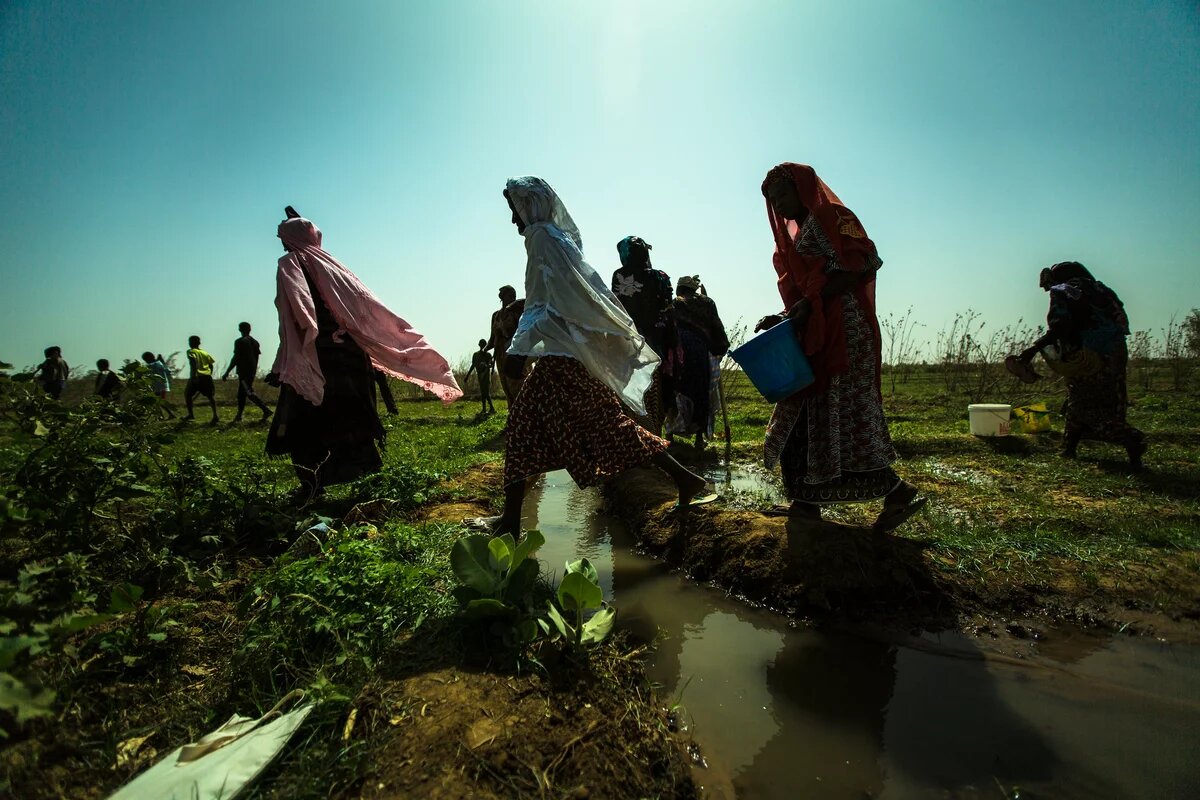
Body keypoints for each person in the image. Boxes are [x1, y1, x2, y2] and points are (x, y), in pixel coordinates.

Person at [494, 177, 710, 536]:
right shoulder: (555, 238)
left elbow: (546, 302)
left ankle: (511, 524)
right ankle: (511, 521)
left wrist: (519, 347)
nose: (514, 220)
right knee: (557, 426)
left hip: (562, 357)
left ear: (529, 206)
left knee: (556, 426)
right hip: (566, 354)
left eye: (515, 210)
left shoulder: (544, 239)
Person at [758, 163, 924, 532]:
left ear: (801, 188)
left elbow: (865, 261)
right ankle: (804, 501)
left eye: (783, 193)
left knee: (838, 412)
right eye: (773, 200)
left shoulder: (833, 216)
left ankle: (894, 491)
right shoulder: (796, 233)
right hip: (815, 325)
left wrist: (811, 303)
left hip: (844, 331)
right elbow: (806, 289)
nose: (780, 204)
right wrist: (786, 315)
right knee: (803, 412)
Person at [265, 206, 461, 498]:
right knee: (353, 418)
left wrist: (290, 361)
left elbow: (299, 316)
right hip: (351, 359)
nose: (281, 242)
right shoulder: (334, 266)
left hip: (319, 355)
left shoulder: (290, 263)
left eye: (283, 236)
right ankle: (370, 481)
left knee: (302, 422)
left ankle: (312, 487)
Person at [1010, 261, 1146, 469]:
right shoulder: (1102, 290)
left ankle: (1132, 439)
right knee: (1101, 400)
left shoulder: (1064, 290)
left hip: (1088, 356)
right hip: (1116, 353)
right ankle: (1068, 448)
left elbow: (1060, 325)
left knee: (1086, 406)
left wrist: (1033, 349)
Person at [611, 235, 678, 431]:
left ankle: (636, 437)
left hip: (628, 343)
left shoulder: (618, 275)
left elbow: (616, 308)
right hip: (657, 344)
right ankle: (654, 435)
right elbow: (669, 310)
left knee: (632, 390)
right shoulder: (660, 277)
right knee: (654, 388)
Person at [668, 275, 730, 449]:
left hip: (678, 352)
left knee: (677, 391)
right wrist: (720, 348)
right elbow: (717, 328)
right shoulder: (707, 302)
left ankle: (670, 435)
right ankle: (699, 438)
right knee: (701, 393)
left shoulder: (676, 303)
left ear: (680, 289)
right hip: (701, 353)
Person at [221, 322, 272, 423]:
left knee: (248, 392)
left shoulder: (240, 342)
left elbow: (235, 358)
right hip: (251, 371)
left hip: (244, 372)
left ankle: (266, 410)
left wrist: (227, 372)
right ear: (250, 329)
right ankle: (239, 416)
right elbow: (256, 357)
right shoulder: (255, 342)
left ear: (240, 329)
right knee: (242, 394)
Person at [485, 285, 527, 403]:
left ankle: (522, 413)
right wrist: (484, 350)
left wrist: (504, 331)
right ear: (503, 297)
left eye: (514, 296)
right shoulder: (496, 316)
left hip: (514, 353)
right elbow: (492, 339)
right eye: (510, 296)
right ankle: (511, 414)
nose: (513, 298)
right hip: (501, 355)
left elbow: (520, 333)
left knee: (517, 384)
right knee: (506, 387)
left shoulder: (517, 314)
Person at [184, 335, 220, 425]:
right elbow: (211, 365)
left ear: (191, 343)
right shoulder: (204, 353)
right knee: (210, 397)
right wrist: (209, 373)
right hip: (207, 376)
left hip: (197, 376)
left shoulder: (190, 351)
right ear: (199, 343)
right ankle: (215, 415)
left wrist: (193, 376)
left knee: (187, 394)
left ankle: (191, 415)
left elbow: (193, 363)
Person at [463, 339, 496, 414]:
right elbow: (473, 366)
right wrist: (467, 376)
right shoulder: (476, 355)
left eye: (484, 345)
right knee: (483, 392)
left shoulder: (488, 355)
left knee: (486, 392)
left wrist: (485, 365)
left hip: (486, 375)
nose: (482, 347)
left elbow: (491, 365)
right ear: (479, 345)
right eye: (481, 345)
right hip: (480, 376)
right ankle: (486, 409)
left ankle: (490, 408)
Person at [142, 351, 175, 418]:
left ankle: (164, 415)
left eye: (146, 360)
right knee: (160, 401)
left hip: (157, 386)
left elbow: (147, 372)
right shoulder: (160, 363)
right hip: (164, 386)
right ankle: (165, 415)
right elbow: (168, 371)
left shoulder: (152, 365)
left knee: (158, 401)